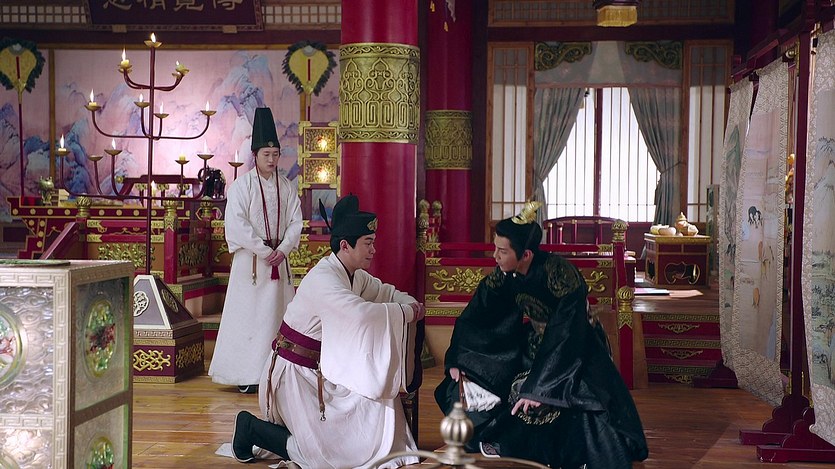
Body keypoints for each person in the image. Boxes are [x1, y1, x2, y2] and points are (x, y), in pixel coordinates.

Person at [435, 202, 648, 469]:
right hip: (535, 341)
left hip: (576, 346)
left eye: (502, 251)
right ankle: (507, 444)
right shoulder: (505, 274)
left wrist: (542, 387)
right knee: (484, 381)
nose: (495, 256)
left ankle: (576, 456)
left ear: (525, 254)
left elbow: (566, 331)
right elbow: (479, 313)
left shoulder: (560, 274)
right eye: (495, 249)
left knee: (577, 396)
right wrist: (460, 358)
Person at [231, 194, 425, 468]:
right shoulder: (325, 279)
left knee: (376, 399)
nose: (373, 250)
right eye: (368, 243)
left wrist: (410, 304)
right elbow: (360, 314)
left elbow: (386, 293)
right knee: (323, 456)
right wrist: (407, 312)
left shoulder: (353, 274)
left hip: (320, 372)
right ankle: (250, 427)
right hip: (293, 376)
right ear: (345, 245)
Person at [209, 107, 303, 393]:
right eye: (266, 154)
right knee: (249, 319)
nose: (272, 160)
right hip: (252, 264)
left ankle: (278, 371)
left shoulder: (286, 187)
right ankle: (247, 374)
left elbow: (295, 221)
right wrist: (263, 251)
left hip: (278, 261)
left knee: (277, 317)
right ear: (255, 155)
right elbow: (237, 223)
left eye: (275, 154)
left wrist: (283, 248)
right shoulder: (241, 186)